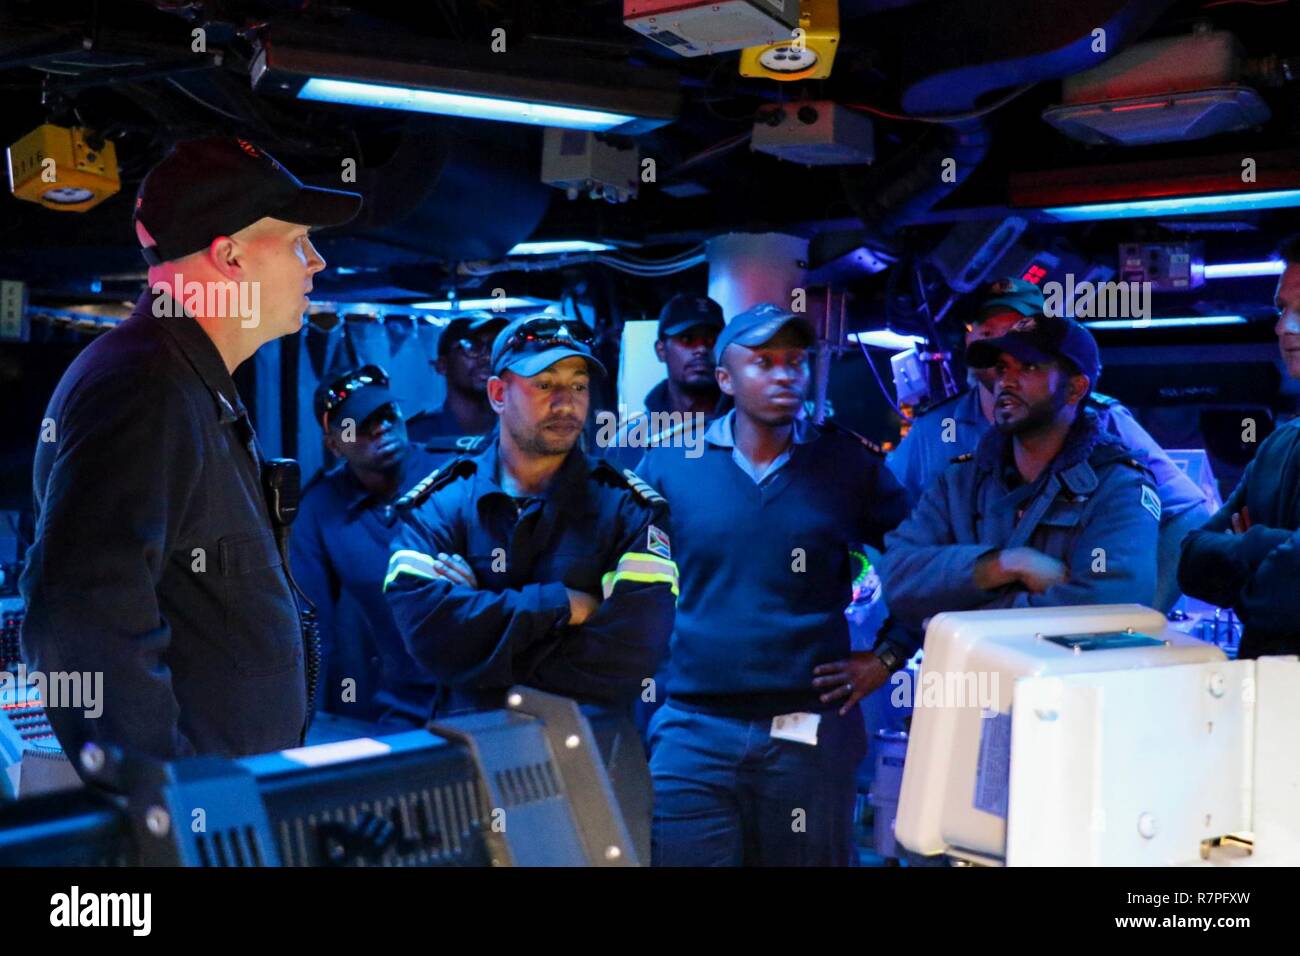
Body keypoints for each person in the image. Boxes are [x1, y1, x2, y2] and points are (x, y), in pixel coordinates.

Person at [19, 137, 361, 768]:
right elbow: (78, 613)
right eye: (295, 242)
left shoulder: (186, 382)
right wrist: (164, 792)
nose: (315, 262)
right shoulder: (144, 389)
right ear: (228, 257)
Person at [635, 302, 911, 867]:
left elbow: (923, 561)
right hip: (693, 731)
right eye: (763, 362)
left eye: (796, 361)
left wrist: (887, 656)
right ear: (725, 379)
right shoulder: (670, 469)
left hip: (807, 730)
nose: (785, 375)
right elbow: (624, 583)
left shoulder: (845, 465)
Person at [383, 314, 677, 717]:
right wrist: (563, 604)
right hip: (475, 746)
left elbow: (633, 652)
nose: (565, 402)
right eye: (544, 384)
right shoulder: (440, 505)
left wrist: (481, 614)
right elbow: (431, 638)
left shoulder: (628, 509)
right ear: (499, 393)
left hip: (591, 748)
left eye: (578, 385)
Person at [886, 276, 1211, 611]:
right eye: (990, 336)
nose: (1007, 375)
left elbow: (1109, 608)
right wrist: (1001, 565)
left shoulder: (1111, 453)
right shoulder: (944, 448)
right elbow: (894, 564)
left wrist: (1150, 615)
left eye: (1026, 360)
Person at [876, 312, 1160, 668]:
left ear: (1075, 388)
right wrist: (1006, 564)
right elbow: (898, 579)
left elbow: (1109, 618)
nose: (1005, 381)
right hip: (967, 704)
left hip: (1072, 706)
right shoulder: (960, 481)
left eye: (1028, 368)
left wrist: (955, 624)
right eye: (1002, 368)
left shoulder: (1119, 488)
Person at [291, 365, 443, 727]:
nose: (380, 428)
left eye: (386, 414)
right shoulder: (320, 509)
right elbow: (310, 627)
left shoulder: (456, 475)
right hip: (394, 707)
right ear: (333, 444)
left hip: (477, 693)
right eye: (360, 424)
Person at [1178, 234, 1300, 659]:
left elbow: (1288, 597)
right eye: (1282, 309)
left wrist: (1247, 544)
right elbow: (1191, 560)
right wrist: (1271, 548)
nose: (1285, 328)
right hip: (1265, 704)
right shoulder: (1277, 446)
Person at [602, 293, 729, 470]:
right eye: (687, 339)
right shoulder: (628, 444)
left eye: (711, 340)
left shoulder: (747, 430)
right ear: (661, 350)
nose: (701, 349)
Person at [405, 312, 507, 462]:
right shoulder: (417, 435)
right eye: (472, 347)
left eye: (493, 347)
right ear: (442, 365)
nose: (487, 357)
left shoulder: (517, 430)